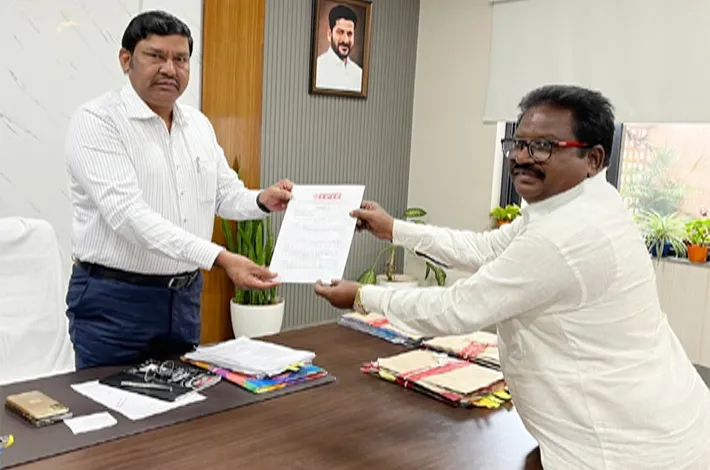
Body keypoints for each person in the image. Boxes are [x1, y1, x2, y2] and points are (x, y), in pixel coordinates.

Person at [315, 85, 710, 469]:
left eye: (544, 146)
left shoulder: (569, 233)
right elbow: (484, 249)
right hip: (647, 419)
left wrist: (361, 297)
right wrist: (394, 229)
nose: (522, 156)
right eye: (518, 143)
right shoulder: (576, 206)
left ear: (593, 158)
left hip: (626, 447)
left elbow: (457, 309)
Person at [64, 10, 292, 369]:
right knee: (110, 402)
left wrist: (262, 200)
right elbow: (129, 216)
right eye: (155, 56)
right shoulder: (97, 121)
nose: (169, 69)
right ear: (126, 59)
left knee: (184, 401)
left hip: (183, 300)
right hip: (116, 303)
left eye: (180, 59)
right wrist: (219, 257)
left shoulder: (197, 125)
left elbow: (224, 194)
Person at [315, 5, 363, 92]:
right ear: (329, 34)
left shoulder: (359, 74)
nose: (345, 40)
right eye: (340, 32)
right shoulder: (318, 69)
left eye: (349, 34)